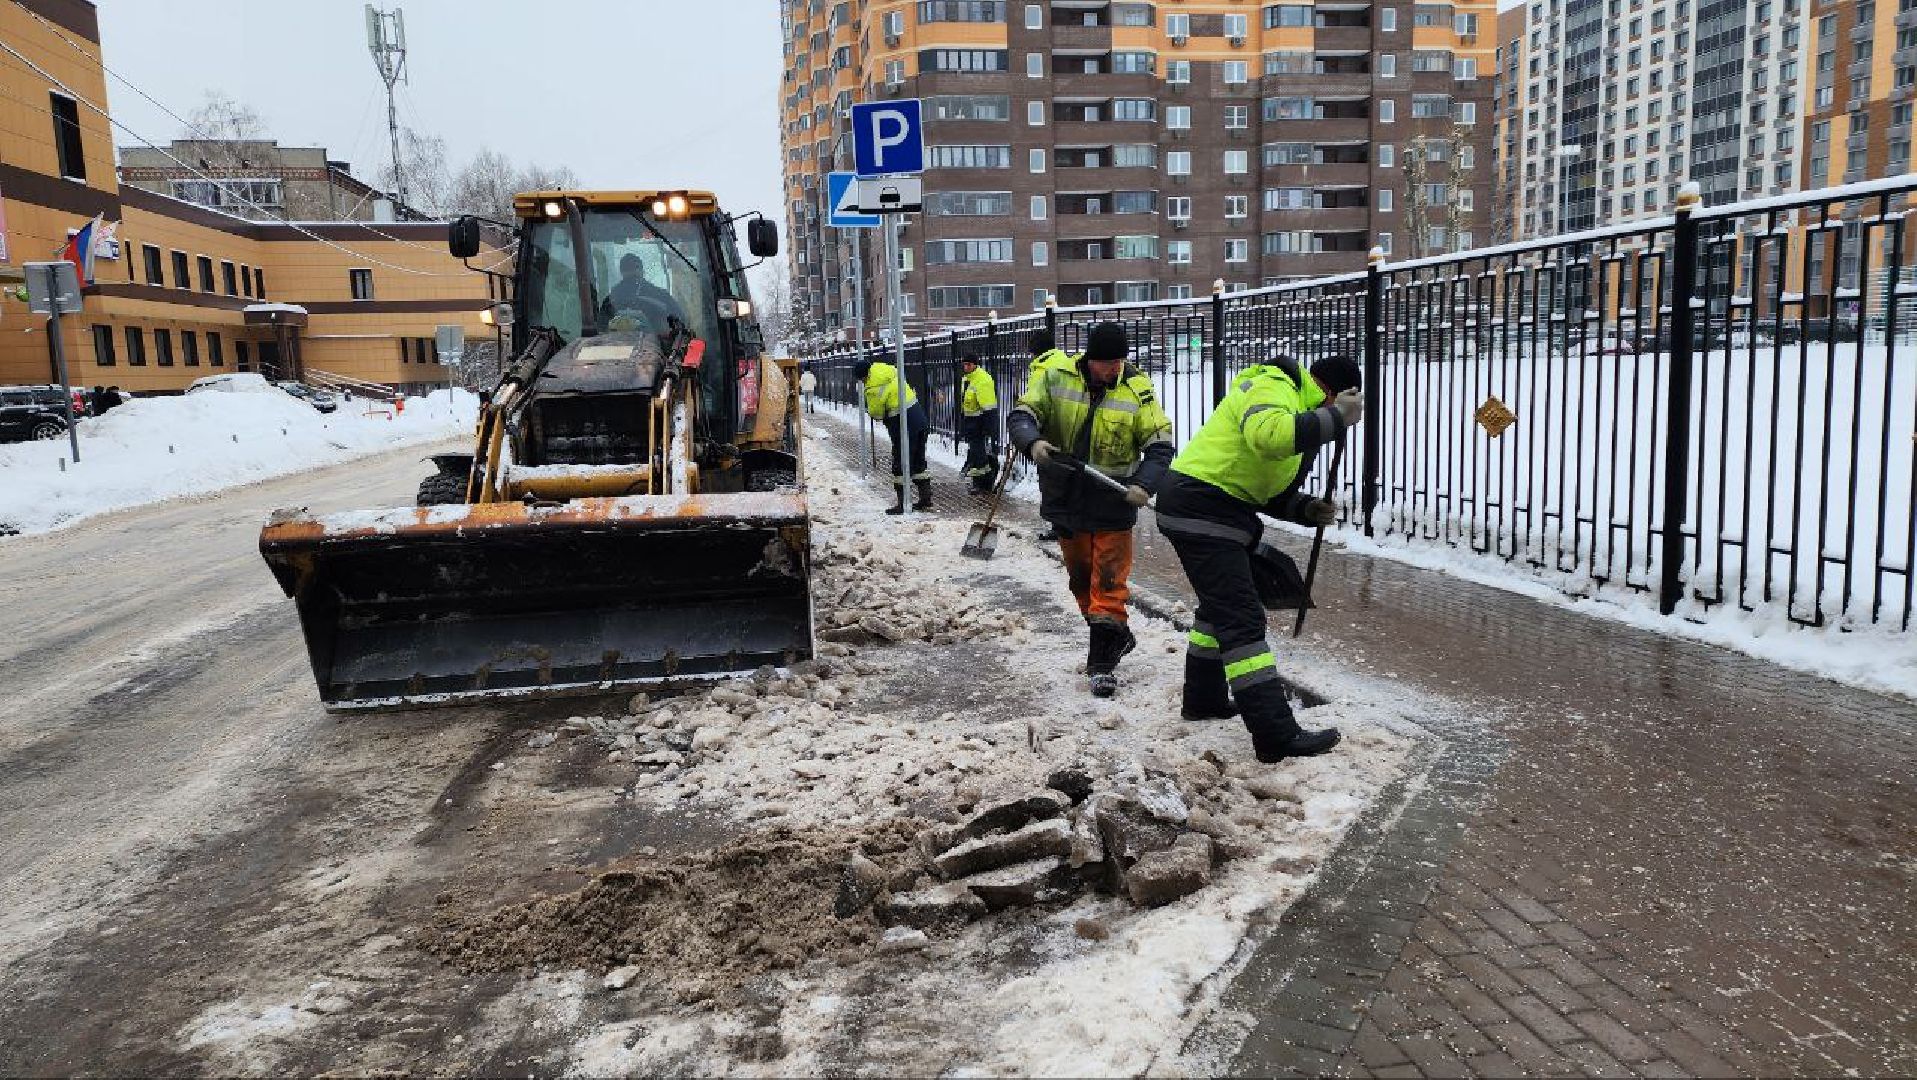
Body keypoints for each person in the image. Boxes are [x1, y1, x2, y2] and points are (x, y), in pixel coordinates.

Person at [1154, 354, 1366, 763]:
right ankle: (1275, 735)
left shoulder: (1301, 412)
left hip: (1213, 511)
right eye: (1333, 405)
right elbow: (1269, 437)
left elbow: (1266, 490)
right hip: (1202, 509)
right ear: (1327, 392)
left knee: (1219, 611)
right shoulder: (1275, 385)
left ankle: (1204, 699)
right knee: (1242, 619)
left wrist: (1304, 508)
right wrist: (1336, 419)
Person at [1008, 321, 1174, 698]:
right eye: (1105, 362)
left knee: (1109, 584)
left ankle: (1101, 666)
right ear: (1089, 359)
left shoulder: (1137, 389)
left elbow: (1160, 444)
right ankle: (1115, 637)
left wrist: (1143, 484)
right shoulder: (1055, 377)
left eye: (1118, 361)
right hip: (1065, 497)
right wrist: (1032, 443)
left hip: (1113, 500)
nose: (1113, 369)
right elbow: (1022, 415)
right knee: (1081, 580)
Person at [855, 357, 932, 514]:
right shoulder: (886, 370)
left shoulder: (873, 387)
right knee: (918, 459)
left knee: (900, 461)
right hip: (919, 417)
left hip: (902, 424)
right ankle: (925, 498)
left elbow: (876, 413)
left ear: (864, 376)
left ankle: (903, 504)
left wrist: (868, 409)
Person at [1024, 328, 1072, 543]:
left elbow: (1036, 405)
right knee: (1067, 480)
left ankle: (1060, 528)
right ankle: (1066, 525)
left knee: (1052, 482)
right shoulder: (1066, 363)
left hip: (1051, 432)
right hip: (1071, 429)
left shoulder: (1042, 370)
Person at [605, 253, 684, 329]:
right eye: (629, 270)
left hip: (656, 341)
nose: (631, 283)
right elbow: (601, 327)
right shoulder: (612, 299)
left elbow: (680, 321)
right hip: (616, 341)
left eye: (634, 269)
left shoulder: (660, 296)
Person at [957, 354, 999, 493]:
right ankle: (981, 482)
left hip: (979, 422)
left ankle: (983, 484)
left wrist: (988, 426)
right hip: (970, 421)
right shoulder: (966, 379)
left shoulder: (983, 379)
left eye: (969, 364)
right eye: (965, 364)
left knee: (979, 454)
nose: (966, 367)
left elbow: (988, 406)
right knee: (976, 452)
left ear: (975, 364)